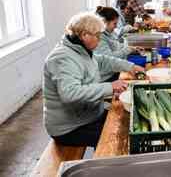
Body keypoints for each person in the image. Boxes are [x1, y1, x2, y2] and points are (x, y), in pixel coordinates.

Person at [43, 12, 142, 147]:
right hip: (70, 128)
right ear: (84, 35)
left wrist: (130, 66)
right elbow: (70, 94)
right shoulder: (63, 58)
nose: (100, 39)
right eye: (97, 35)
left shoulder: (81, 50)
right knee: (120, 140)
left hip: (89, 115)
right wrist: (110, 87)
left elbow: (103, 60)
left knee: (126, 121)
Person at [94, 6, 144, 82]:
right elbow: (108, 58)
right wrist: (127, 50)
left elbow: (115, 46)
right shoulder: (99, 37)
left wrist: (132, 49)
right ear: (104, 22)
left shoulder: (109, 33)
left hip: (114, 72)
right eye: (114, 23)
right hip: (107, 78)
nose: (116, 26)